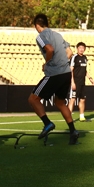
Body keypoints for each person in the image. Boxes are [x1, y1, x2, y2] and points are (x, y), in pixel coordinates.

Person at [27, 14, 80, 145]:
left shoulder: (40, 37)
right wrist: (61, 62)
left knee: (33, 99)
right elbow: (69, 53)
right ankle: (73, 131)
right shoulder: (58, 35)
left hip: (54, 74)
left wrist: (48, 63)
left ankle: (47, 123)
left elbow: (49, 49)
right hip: (66, 73)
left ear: (37, 26)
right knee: (60, 102)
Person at [68, 41, 94, 122]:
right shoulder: (74, 57)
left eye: (83, 48)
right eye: (80, 48)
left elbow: (84, 70)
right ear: (77, 48)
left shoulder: (85, 58)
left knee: (82, 99)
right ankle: (69, 118)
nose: (81, 49)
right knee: (72, 99)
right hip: (75, 82)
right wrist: (72, 82)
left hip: (82, 82)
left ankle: (82, 116)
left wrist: (90, 78)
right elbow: (71, 70)